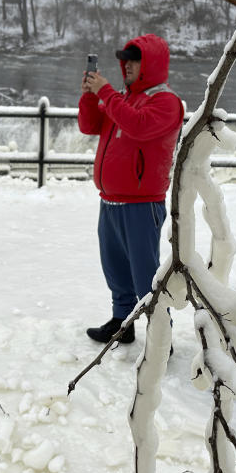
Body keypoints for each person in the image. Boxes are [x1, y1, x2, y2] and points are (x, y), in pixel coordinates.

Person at [78, 34, 184, 344]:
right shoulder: (121, 98)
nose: (128, 66)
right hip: (110, 201)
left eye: (135, 60)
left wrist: (106, 92)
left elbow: (137, 126)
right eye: (126, 60)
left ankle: (160, 335)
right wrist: (89, 96)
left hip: (142, 204)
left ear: (150, 64)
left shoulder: (166, 101)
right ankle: (122, 322)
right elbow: (89, 125)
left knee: (146, 275)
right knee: (115, 268)